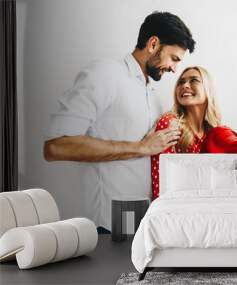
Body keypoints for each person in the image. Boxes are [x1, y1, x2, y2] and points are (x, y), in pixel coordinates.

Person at [43, 12, 195, 231]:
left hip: (140, 224)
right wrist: (141, 147)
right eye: (174, 58)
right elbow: (55, 146)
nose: (174, 69)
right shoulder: (105, 74)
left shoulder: (152, 95)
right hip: (107, 226)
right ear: (153, 44)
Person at [151, 66, 221, 199]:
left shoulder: (213, 132)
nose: (185, 85)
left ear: (208, 89)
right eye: (181, 82)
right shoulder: (170, 124)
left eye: (194, 80)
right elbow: (161, 181)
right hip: (178, 209)